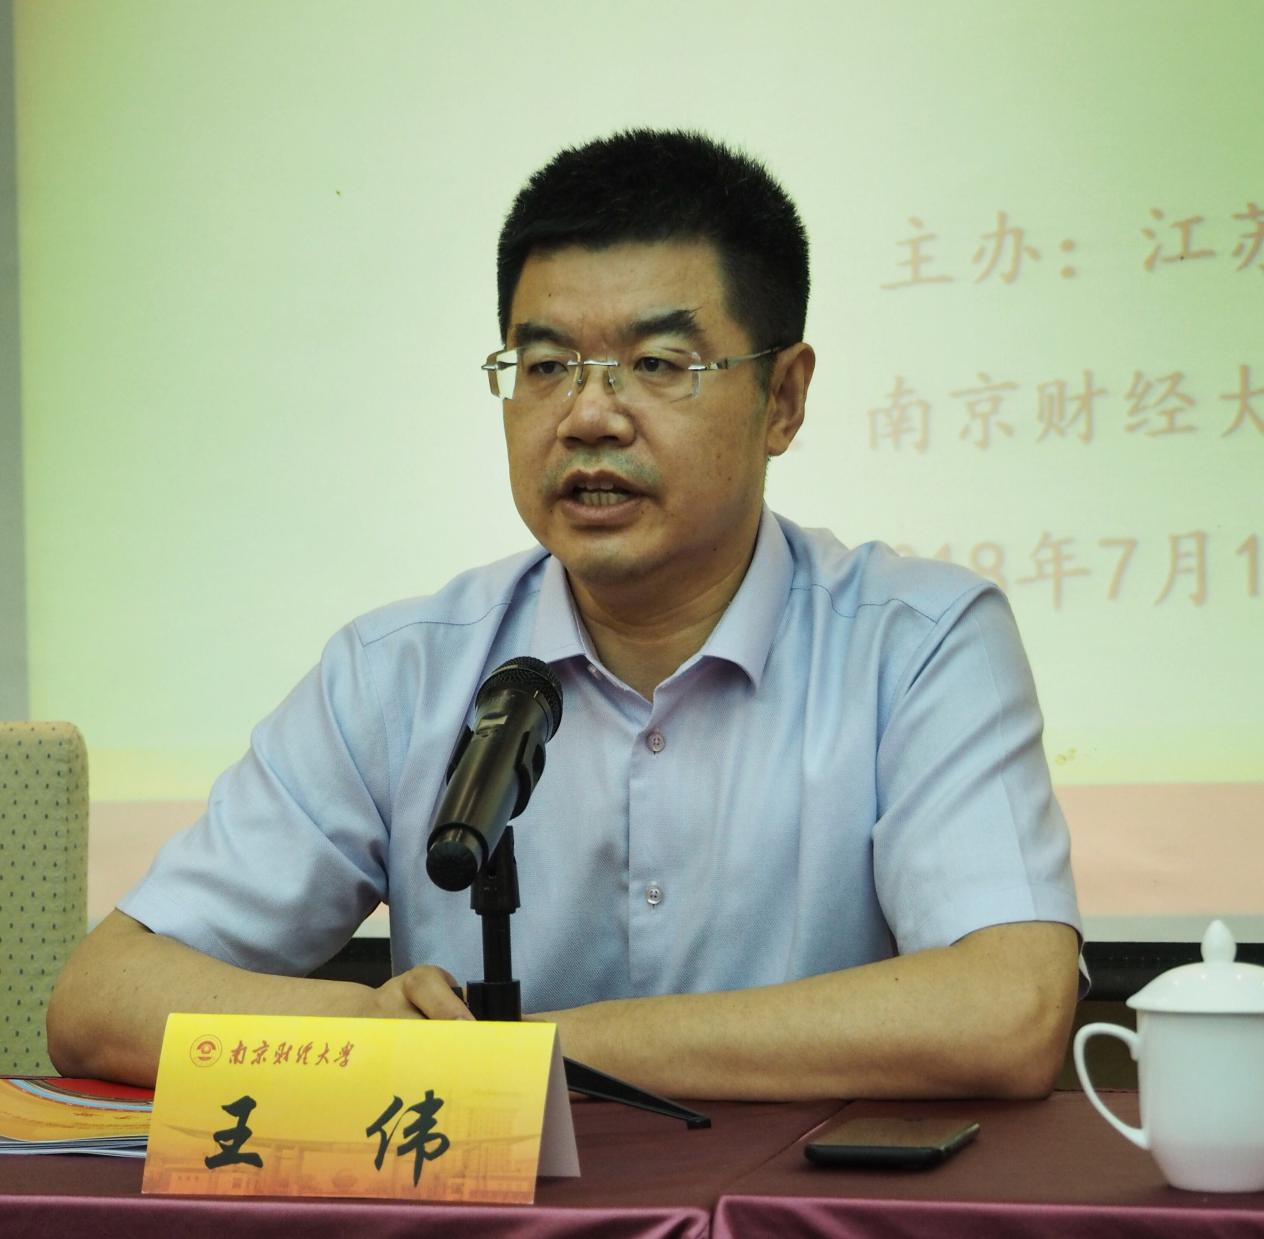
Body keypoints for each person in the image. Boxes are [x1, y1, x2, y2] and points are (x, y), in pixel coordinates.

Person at [48, 130, 1081, 1098]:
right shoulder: (400, 673)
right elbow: (103, 998)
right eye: (543, 367)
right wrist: (368, 1028)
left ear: (784, 399)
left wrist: (528, 1052)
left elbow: (1006, 1010)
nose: (587, 415)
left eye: (658, 364)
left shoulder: (918, 644)